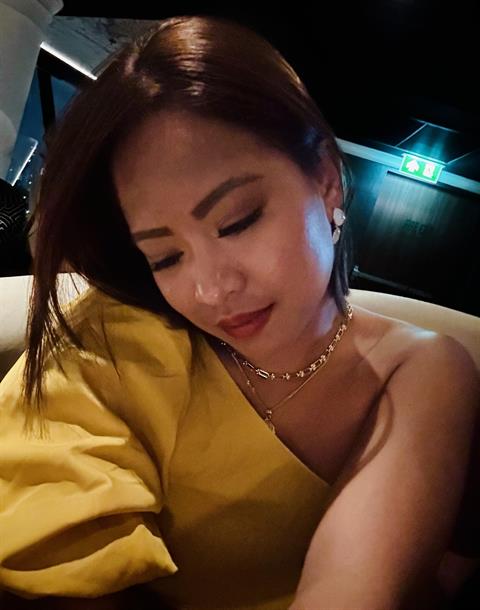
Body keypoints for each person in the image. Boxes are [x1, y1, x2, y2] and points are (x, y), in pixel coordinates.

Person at [0, 14, 478, 610]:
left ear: (326, 180)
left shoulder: (416, 370)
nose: (209, 289)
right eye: (165, 256)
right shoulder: (120, 335)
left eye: (237, 222)